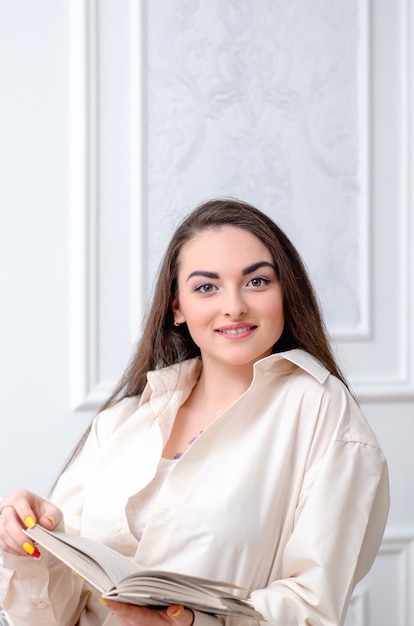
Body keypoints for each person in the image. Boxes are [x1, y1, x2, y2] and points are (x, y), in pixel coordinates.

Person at [0, 198, 389, 626]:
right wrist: (27, 542)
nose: (234, 306)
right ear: (177, 307)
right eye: (206, 287)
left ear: (286, 292)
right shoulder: (122, 421)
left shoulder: (320, 409)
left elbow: (313, 607)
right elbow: (55, 614)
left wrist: (190, 622)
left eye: (257, 282)